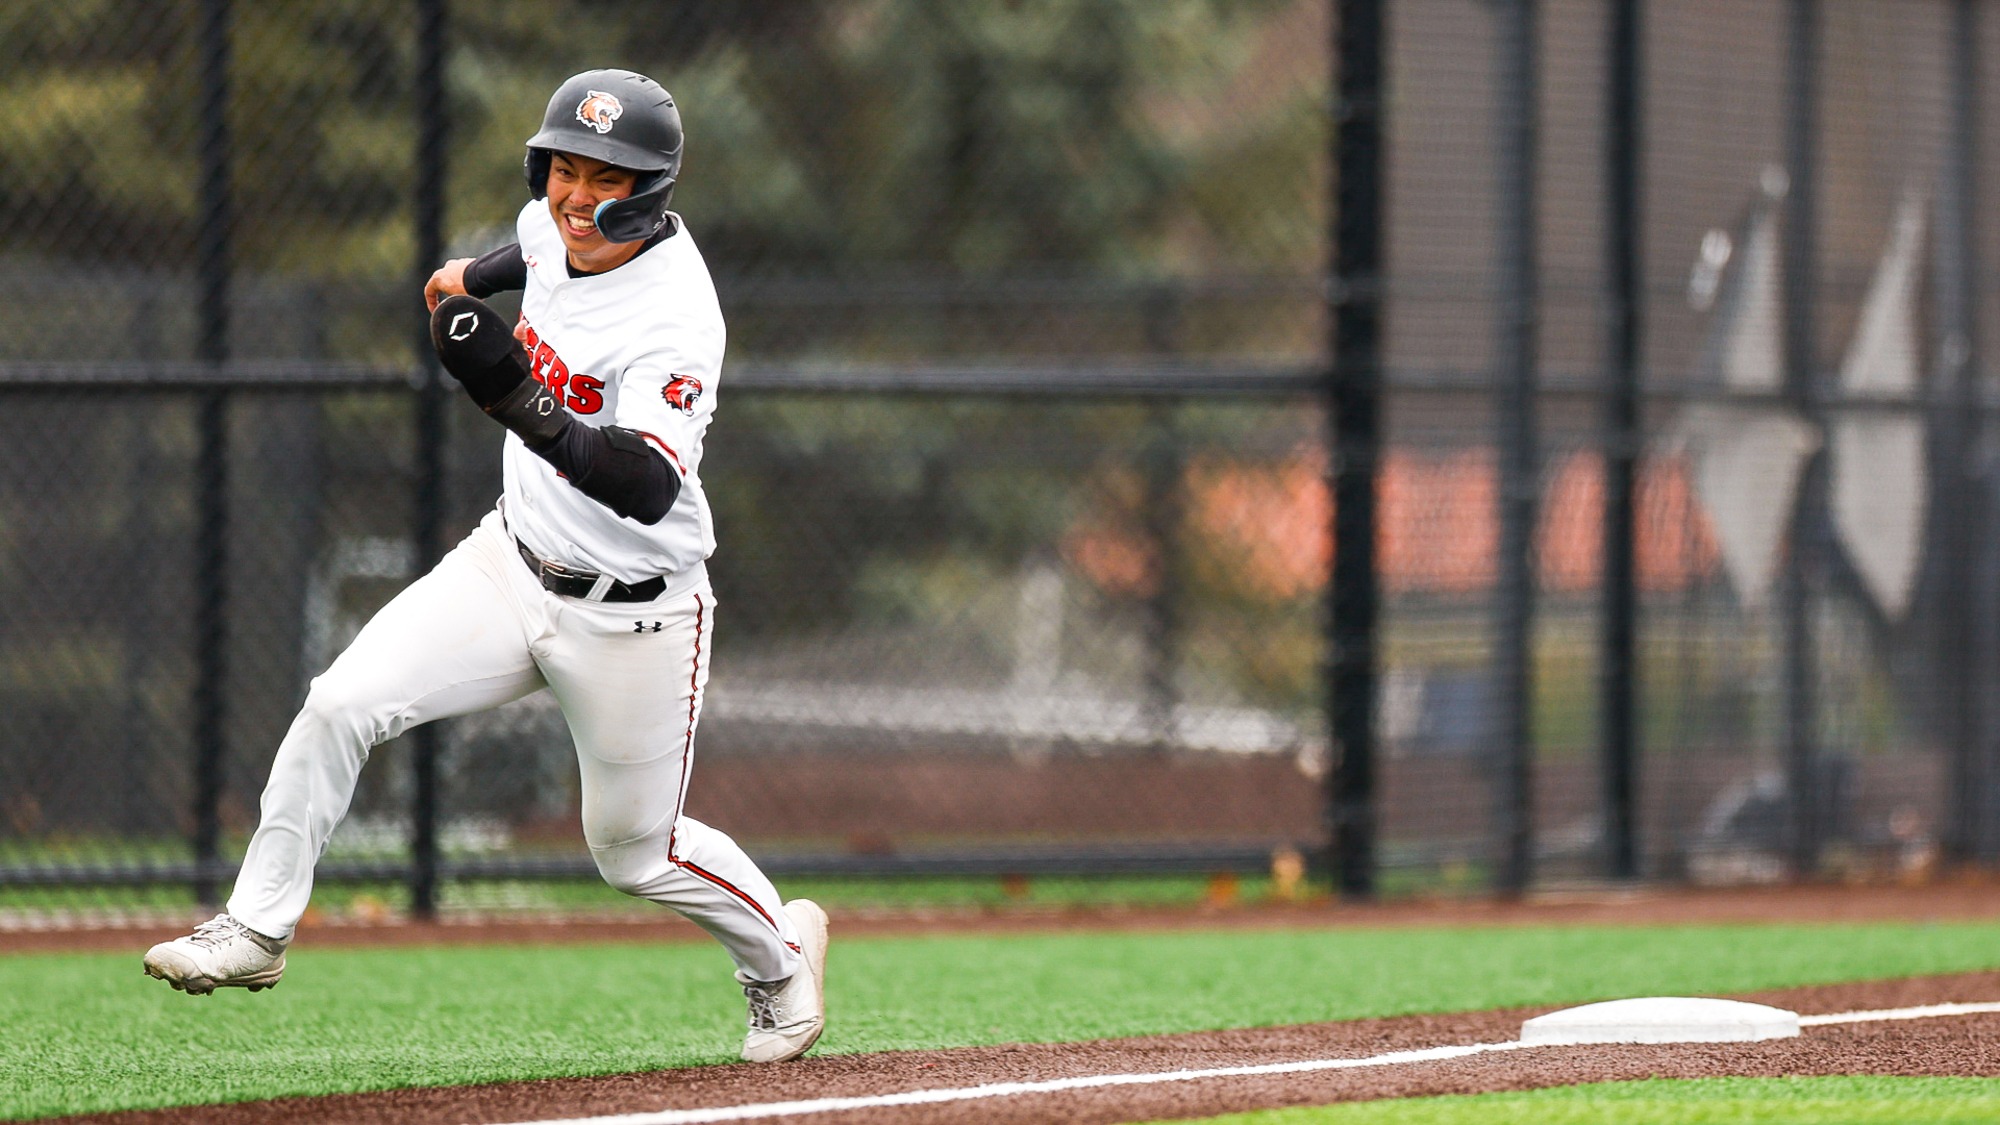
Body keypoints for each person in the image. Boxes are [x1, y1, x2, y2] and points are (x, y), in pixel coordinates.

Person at [143, 68, 829, 1065]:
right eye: (561, 167)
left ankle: (779, 962)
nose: (575, 195)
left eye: (606, 177)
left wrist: (513, 395)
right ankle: (254, 929)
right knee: (339, 703)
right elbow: (538, 248)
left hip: (634, 612)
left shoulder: (678, 316)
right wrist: (476, 274)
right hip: (508, 563)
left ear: (653, 190)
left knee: (634, 853)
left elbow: (640, 484)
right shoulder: (555, 225)